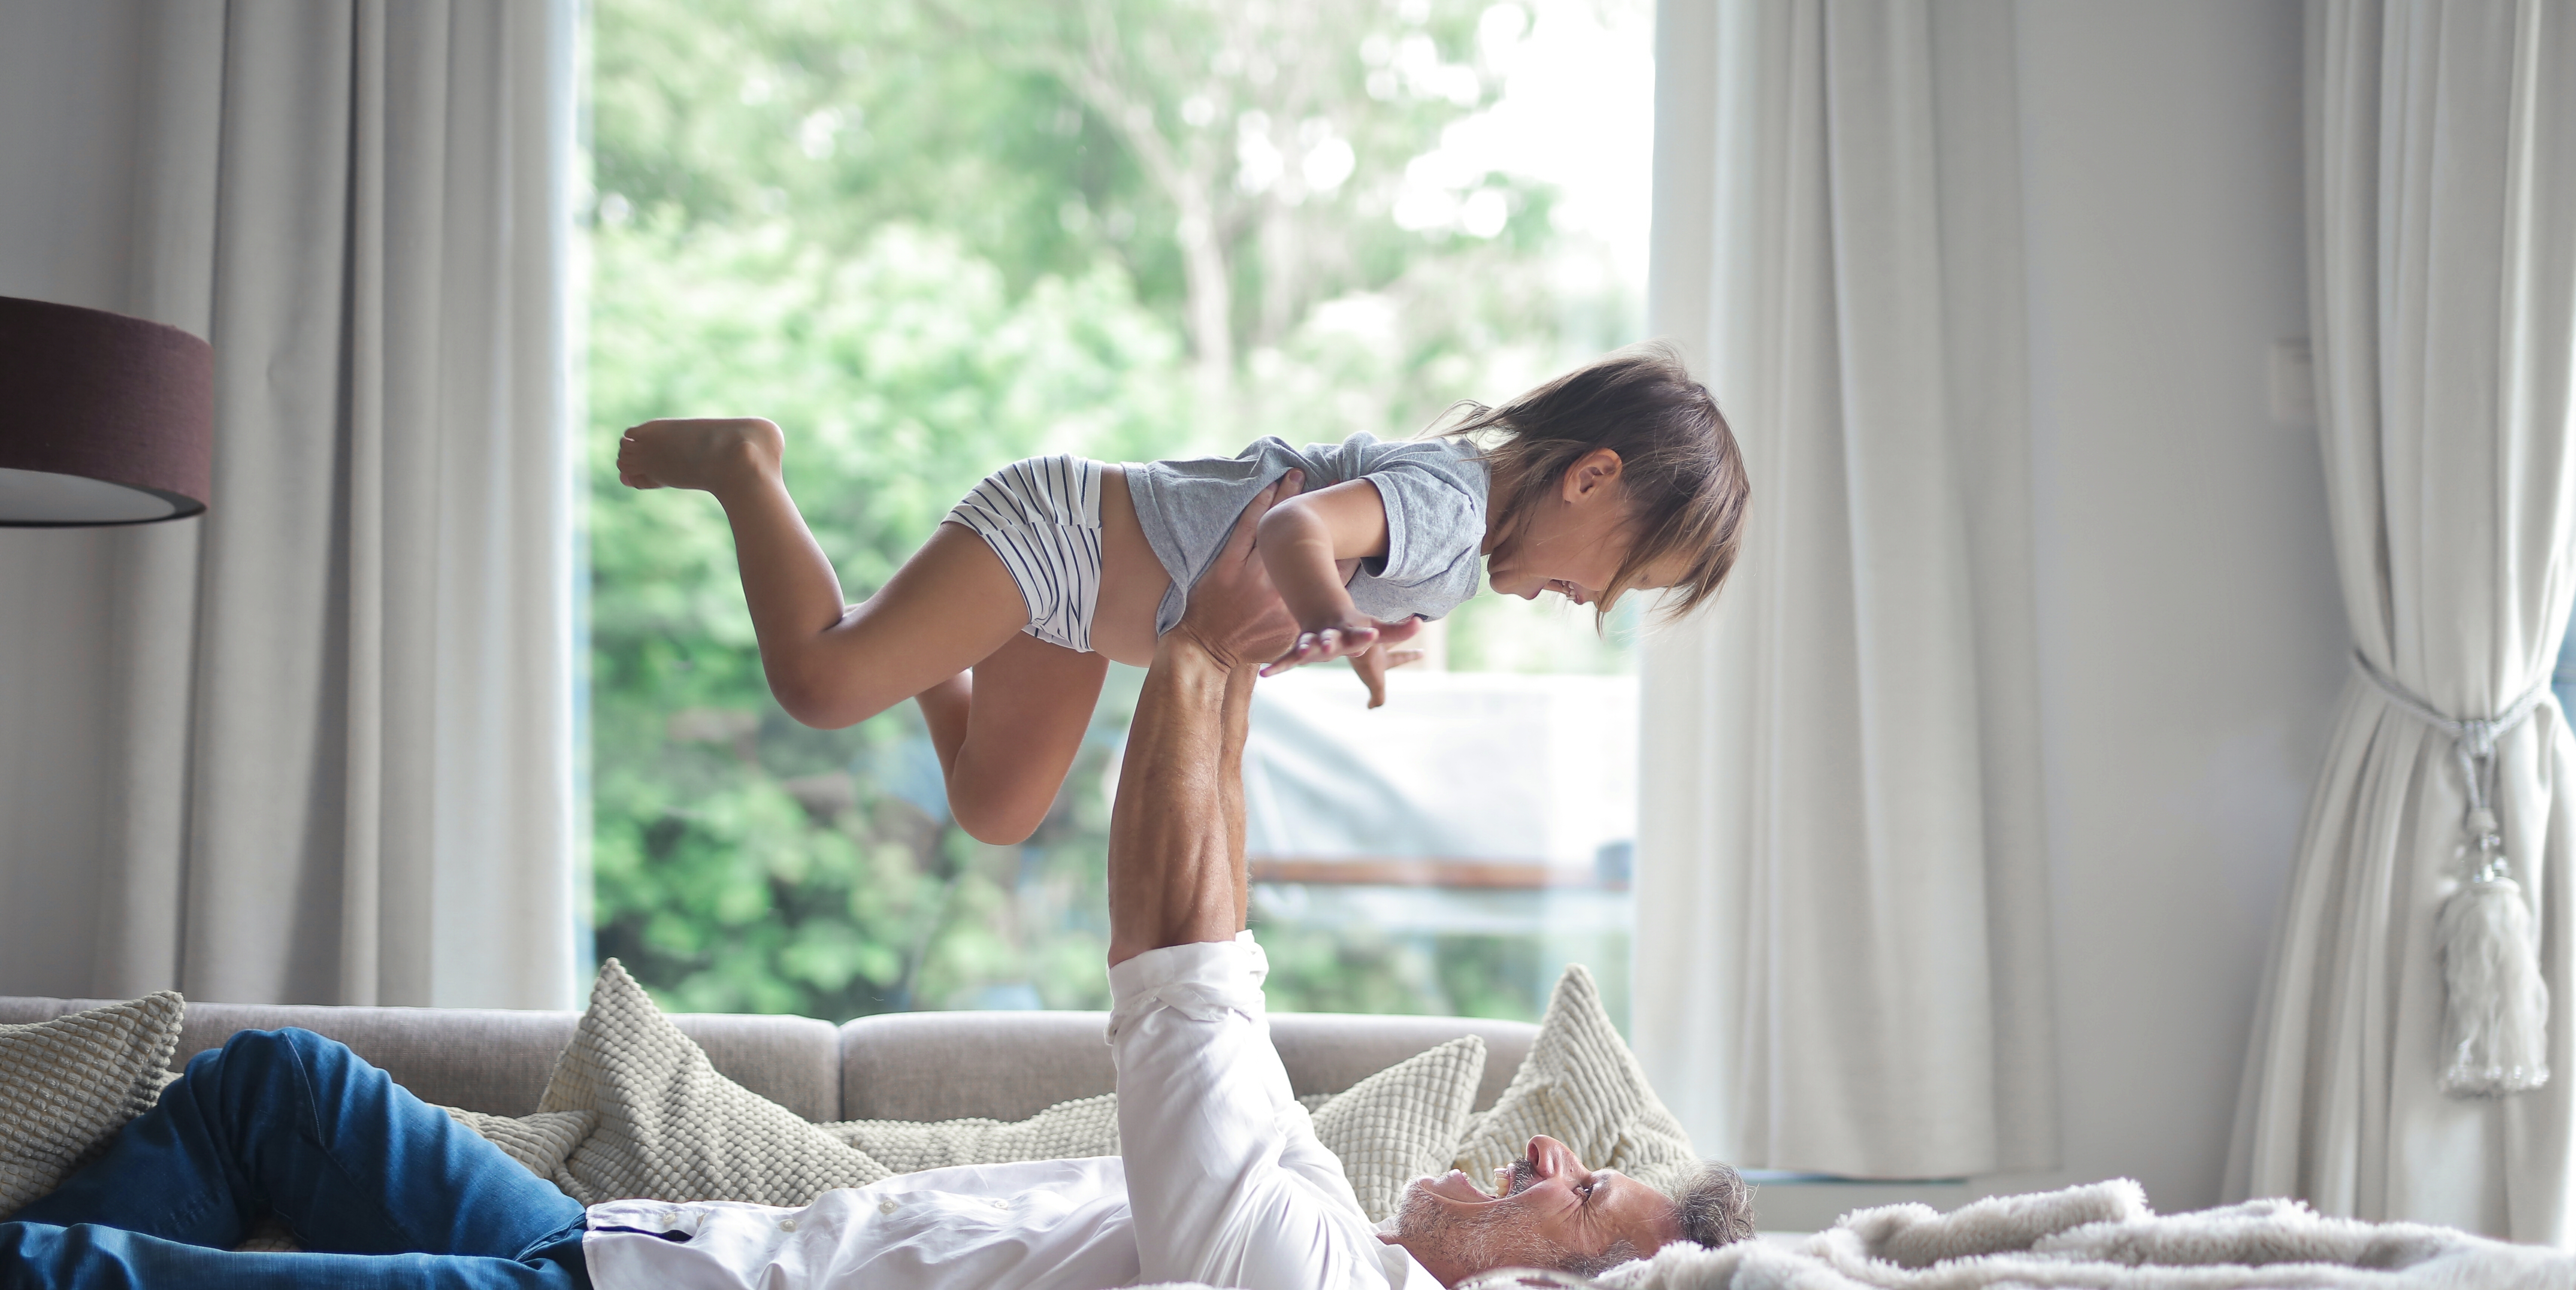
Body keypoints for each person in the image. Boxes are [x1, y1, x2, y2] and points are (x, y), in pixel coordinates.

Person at [0, 484, 1756, 1290]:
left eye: (1578, 1193)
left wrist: (1205, 651)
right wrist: (1214, 674)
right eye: (1574, 1155)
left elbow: (1184, 988)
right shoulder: (1335, 1223)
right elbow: (1229, 944)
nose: (1545, 1155)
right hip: (639, 1258)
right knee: (274, 1089)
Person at [613, 344, 1749, 844]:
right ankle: (744, 467)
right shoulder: (1455, 503)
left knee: (994, 810)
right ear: (1591, 476)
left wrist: (1326, 631)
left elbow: (1276, 570)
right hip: (1057, 535)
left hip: (1078, 614)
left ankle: (924, 641)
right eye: (1614, 576)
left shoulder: (1456, 547)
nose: (1586, 601)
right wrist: (1336, 619)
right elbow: (1304, 526)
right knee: (820, 682)